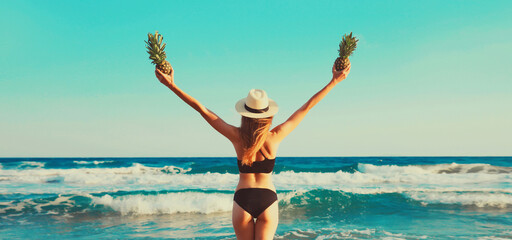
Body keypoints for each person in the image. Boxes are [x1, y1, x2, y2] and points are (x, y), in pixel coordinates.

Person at [154, 61, 351, 240]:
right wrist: (334, 81)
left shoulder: (237, 136)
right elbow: (306, 107)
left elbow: (202, 110)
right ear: (268, 115)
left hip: (243, 200)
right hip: (267, 198)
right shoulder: (276, 136)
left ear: (244, 114)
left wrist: (172, 85)